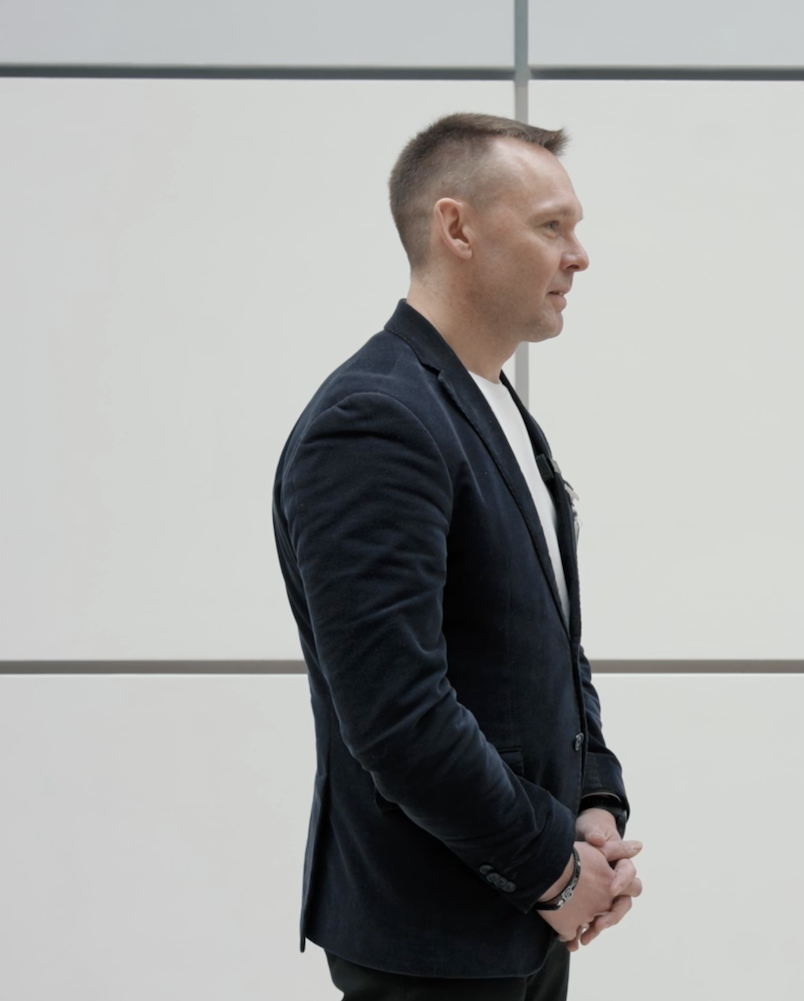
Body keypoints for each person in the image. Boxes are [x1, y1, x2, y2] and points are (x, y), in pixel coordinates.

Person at [272, 113, 641, 1000]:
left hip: (522, 920)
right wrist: (552, 868)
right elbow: (397, 712)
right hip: (432, 937)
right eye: (551, 225)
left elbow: (551, 646)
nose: (579, 255)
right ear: (457, 228)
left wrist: (595, 804)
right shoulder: (375, 419)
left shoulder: (496, 404)